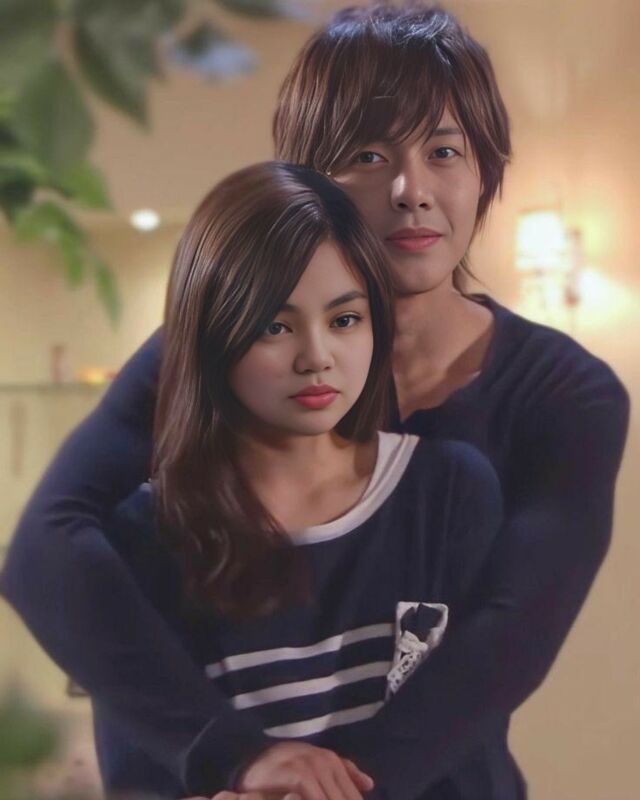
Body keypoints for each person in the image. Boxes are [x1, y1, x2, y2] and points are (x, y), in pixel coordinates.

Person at [0, 3, 629, 800]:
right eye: (367, 154)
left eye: (444, 151)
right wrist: (232, 755)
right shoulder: (215, 352)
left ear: (486, 171)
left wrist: (318, 790)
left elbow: (509, 635)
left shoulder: (565, 394)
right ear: (308, 181)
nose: (410, 190)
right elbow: (46, 551)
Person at [88, 160, 502, 800]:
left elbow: (471, 751)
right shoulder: (142, 538)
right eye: (275, 326)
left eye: (345, 320)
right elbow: (139, 779)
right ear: (212, 335)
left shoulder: (448, 492)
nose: (316, 358)